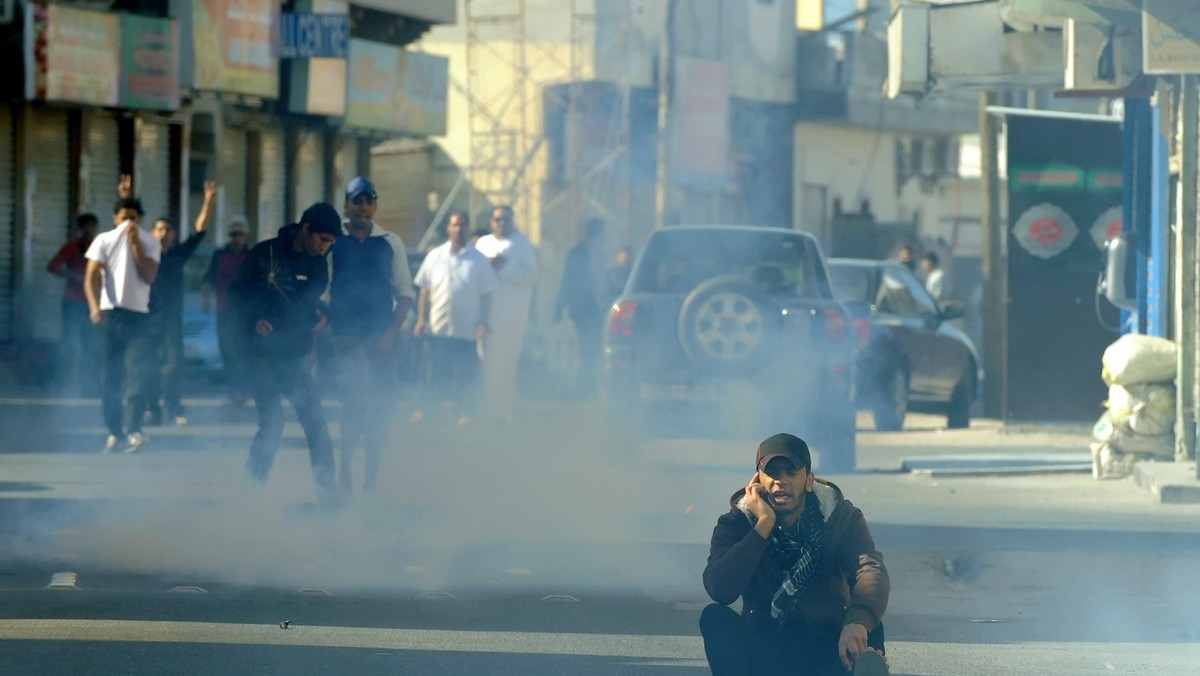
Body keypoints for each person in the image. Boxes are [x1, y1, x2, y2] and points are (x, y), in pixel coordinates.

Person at [701, 433, 890, 676]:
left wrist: (857, 622)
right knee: (714, 618)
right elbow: (719, 589)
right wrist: (763, 526)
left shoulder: (839, 517)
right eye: (773, 473)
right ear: (758, 480)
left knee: (868, 624)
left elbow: (869, 569)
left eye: (791, 472)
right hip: (766, 646)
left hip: (825, 644)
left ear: (809, 481)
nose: (781, 481)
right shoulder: (737, 523)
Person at [227, 203, 342, 507]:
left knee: (316, 424)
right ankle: (250, 498)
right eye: (322, 240)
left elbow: (310, 303)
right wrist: (253, 318)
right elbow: (235, 294)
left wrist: (323, 315)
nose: (324, 247)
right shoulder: (264, 253)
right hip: (260, 354)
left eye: (330, 242)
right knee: (273, 423)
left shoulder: (319, 263)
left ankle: (330, 502)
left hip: (293, 354)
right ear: (306, 230)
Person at [329, 176, 416, 495]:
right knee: (353, 405)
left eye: (368, 201)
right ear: (346, 205)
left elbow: (405, 293)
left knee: (380, 411)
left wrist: (391, 334)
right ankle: (345, 473)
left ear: (375, 205)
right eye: (356, 201)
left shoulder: (390, 242)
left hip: (383, 339)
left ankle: (371, 482)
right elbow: (322, 291)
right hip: (346, 337)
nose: (362, 208)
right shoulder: (335, 241)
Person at [84, 177, 162, 454]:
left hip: (138, 318)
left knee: (137, 374)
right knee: (110, 377)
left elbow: (149, 275)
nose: (128, 223)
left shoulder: (150, 242)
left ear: (139, 219)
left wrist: (137, 247)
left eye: (133, 218)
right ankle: (114, 430)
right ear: (115, 217)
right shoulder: (103, 240)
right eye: (124, 217)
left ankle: (133, 430)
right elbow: (91, 276)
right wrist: (94, 306)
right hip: (110, 316)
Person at [412, 211, 497, 424]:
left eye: (463, 225)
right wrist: (421, 319)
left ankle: (464, 412)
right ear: (448, 228)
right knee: (435, 370)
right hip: (439, 326)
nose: (459, 229)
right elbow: (425, 291)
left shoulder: (478, 260)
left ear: (468, 228)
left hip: (467, 328)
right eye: (455, 225)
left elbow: (486, 295)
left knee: (465, 372)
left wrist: (483, 321)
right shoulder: (435, 256)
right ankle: (428, 410)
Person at [144, 181, 216, 426]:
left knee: (174, 364)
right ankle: (151, 409)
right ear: (152, 233)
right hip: (148, 317)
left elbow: (200, 232)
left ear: (173, 235)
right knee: (149, 364)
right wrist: (127, 199)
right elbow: (126, 233)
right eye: (159, 229)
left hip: (172, 318)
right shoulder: (142, 255)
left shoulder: (178, 254)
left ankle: (174, 408)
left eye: (168, 229)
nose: (164, 233)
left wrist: (208, 202)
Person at [473, 205, 538, 420]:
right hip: (486, 313)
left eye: (506, 219)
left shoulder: (521, 243)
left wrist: (504, 266)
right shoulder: (482, 244)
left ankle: (507, 404)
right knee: (486, 360)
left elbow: (531, 276)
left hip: (512, 314)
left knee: (508, 360)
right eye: (498, 219)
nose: (502, 223)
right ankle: (490, 403)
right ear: (491, 221)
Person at [554, 217, 609, 398]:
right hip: (584, 308)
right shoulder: (579, 253)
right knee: (587, 347)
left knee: (592, 347)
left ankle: (588, 384)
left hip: (598, 307)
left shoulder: (598, 253)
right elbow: (567, 280)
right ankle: (583, 386)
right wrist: (559, 306)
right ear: (599, 233)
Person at [201, 215, 252, 408]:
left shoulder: (251, 255)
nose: (237, 238)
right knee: (228, 353)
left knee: (244, 353)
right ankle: (233, 392)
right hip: (225, 312)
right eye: (234, 234)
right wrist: (206, 299)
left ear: (245, 235)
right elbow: (209, 279)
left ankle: (244, 392)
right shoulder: (220, 255)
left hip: (246, 313)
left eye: (240, 234)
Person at [47, 213, 101, 394]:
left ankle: (90, 385)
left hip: (93, 304)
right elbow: (53, 266)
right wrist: (74, 276)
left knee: (91, 345)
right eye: (85, 227)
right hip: (73, 302)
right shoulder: (72, 247)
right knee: (68, 343)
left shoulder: (101, 247)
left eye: (92, 227)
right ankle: (58, 381)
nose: (89, 230)